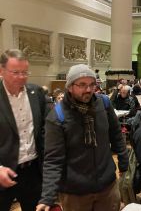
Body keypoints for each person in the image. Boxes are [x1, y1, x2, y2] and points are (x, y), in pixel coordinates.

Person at [36, 64, 129, 211]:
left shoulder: (104, 104)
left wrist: (124, 162)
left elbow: (116, 133)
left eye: (92, 84)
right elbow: (53, 160)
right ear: (70, 87)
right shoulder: (57, 117)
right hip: (75, 193)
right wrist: (47, 197)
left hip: (107, 187)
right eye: (82, 85)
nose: (88, 89)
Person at [0, 49, 47, 211]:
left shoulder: (37, 93)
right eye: (15, 72)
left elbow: (45, 130)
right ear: (1, 70)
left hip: (33, 170)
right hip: (4, 171)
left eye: (25, 72)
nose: (21, 77)